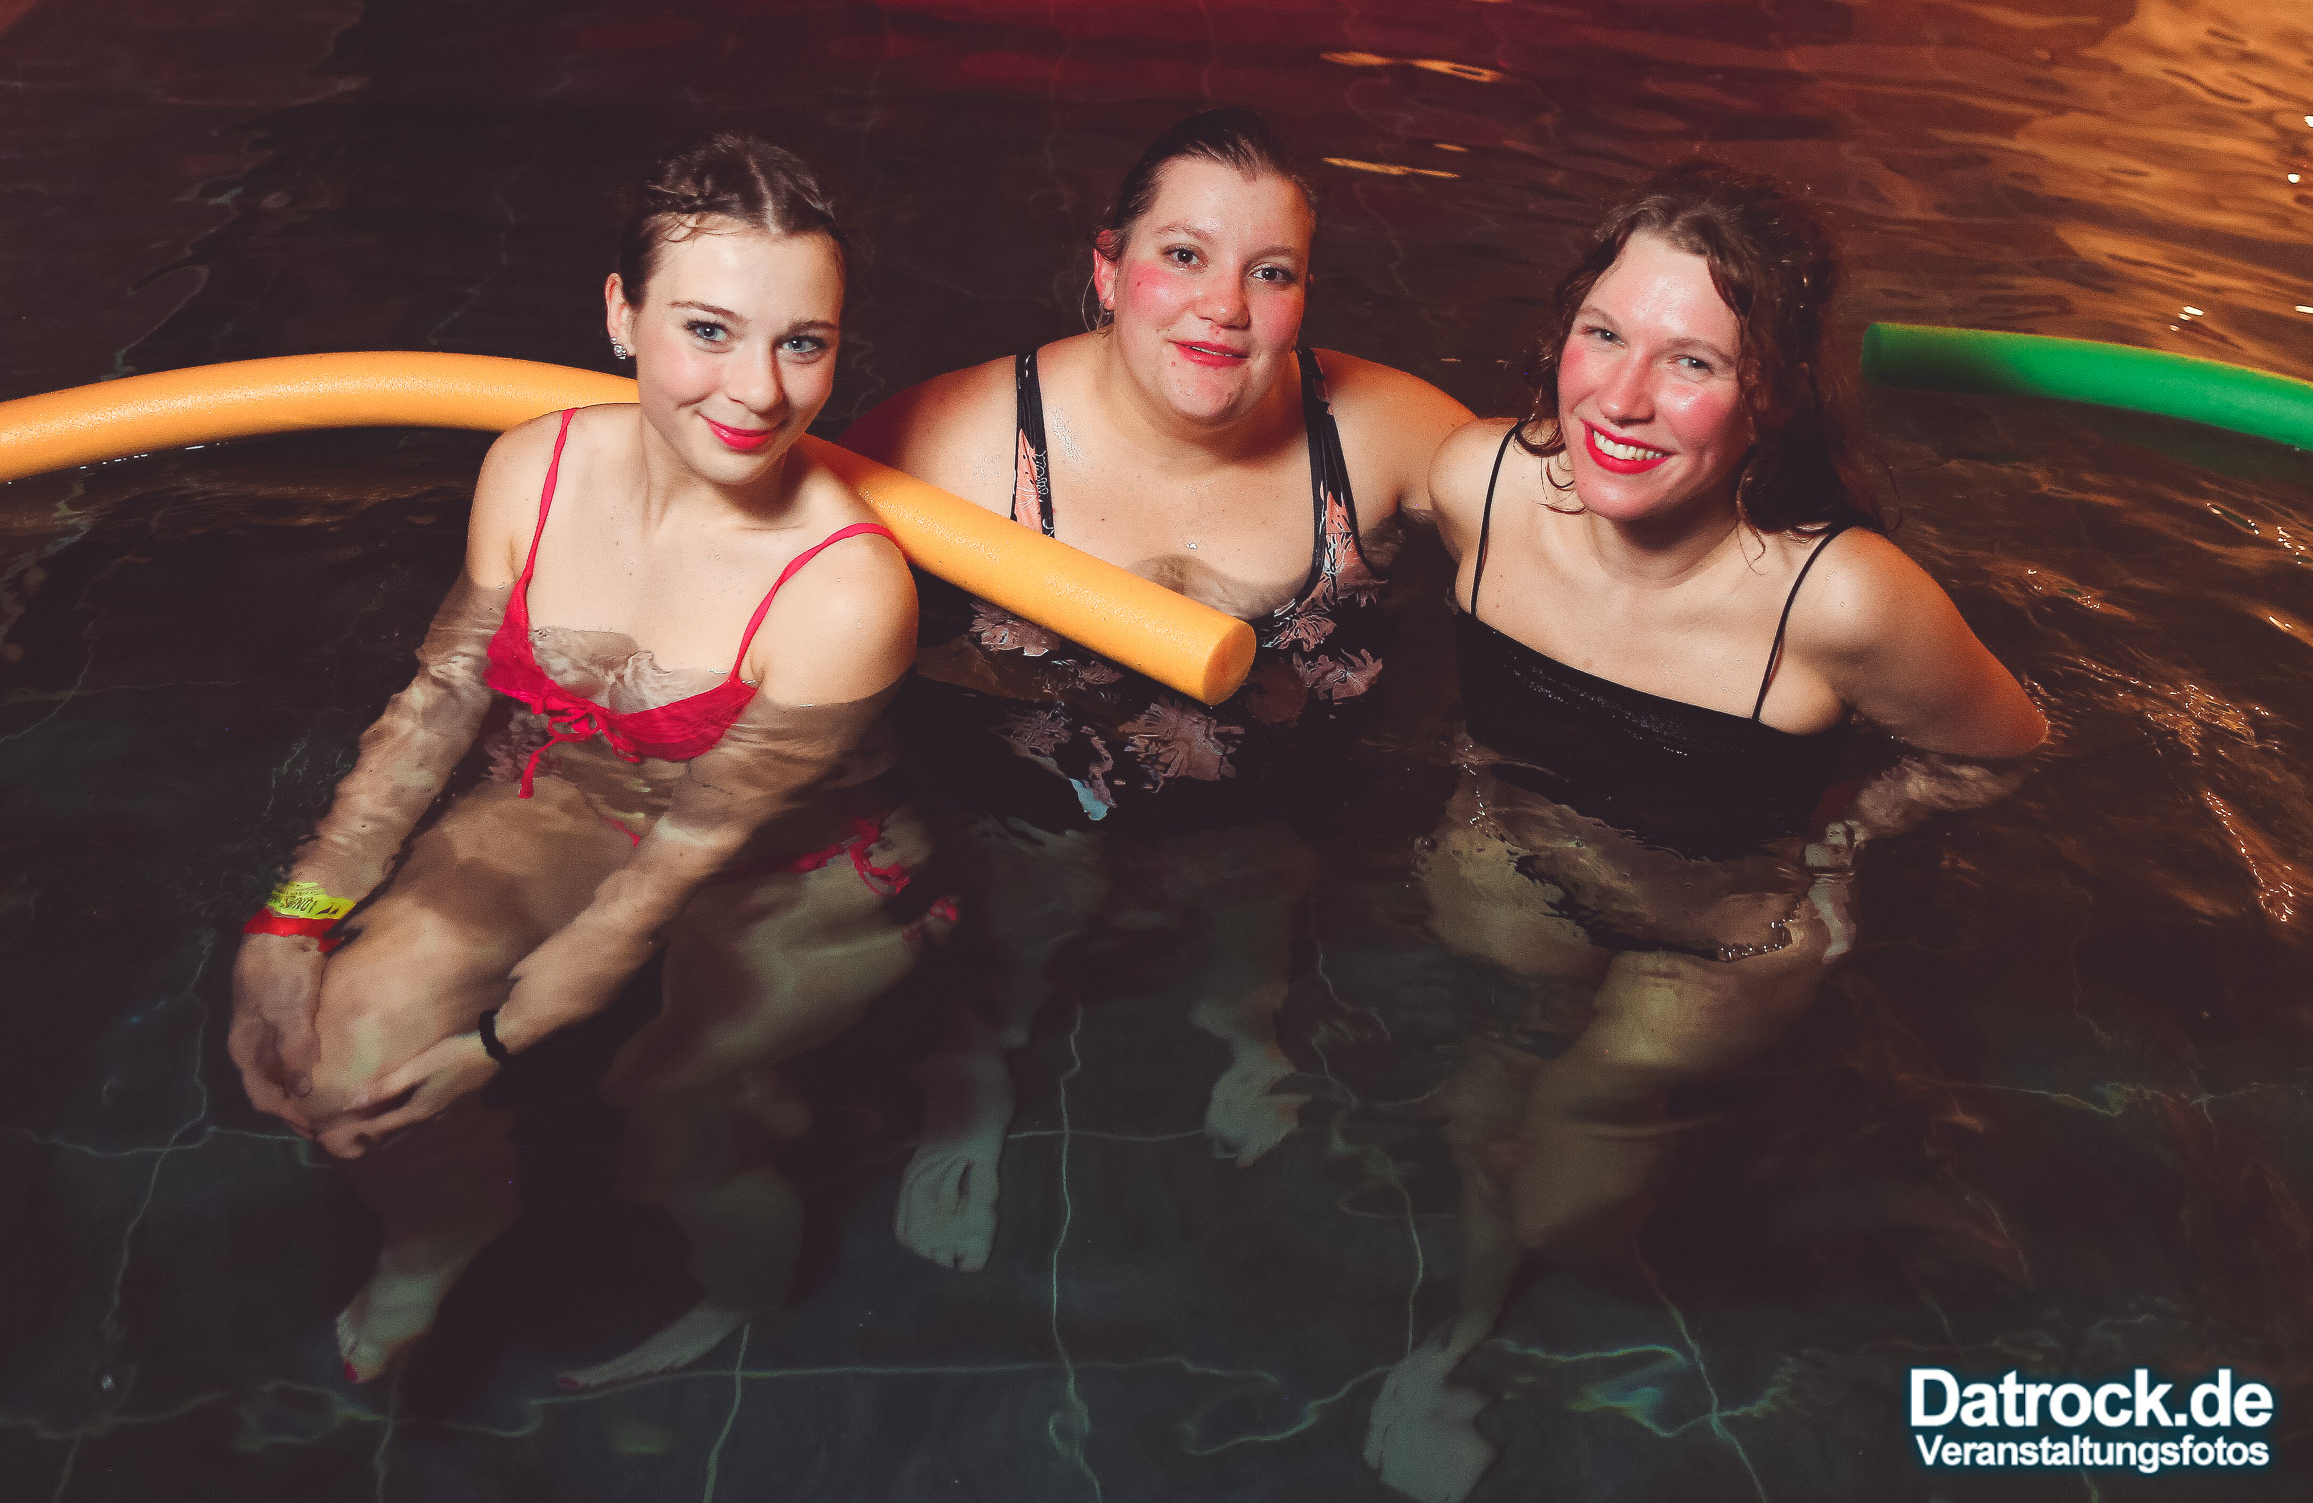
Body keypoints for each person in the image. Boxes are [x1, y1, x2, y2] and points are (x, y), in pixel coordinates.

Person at [1362, 160, 2046, 1502]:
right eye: (1603, 334)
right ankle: (1454, 1343)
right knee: (1490, 1071)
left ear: (1768, 397)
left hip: (1724, 922)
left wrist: (1845, 843)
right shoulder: (1482, 482)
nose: (1619, 398)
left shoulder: (1841, 598)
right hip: (1514, 845)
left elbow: (2000, 750)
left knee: (1574, 1171)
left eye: (1690, 362)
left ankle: (1580, 1301)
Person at [227, 133, 930, 1386]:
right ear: (620, 314)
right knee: (347, 1053)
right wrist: (296, 915)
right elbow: (440, 700)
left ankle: (747, 1294)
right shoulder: (534, 469)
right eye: (708, 331)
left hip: (794, 867)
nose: (759, 391)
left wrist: (503, 1040)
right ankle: (447, 1224)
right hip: (569, 800)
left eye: (803, 343)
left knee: (668, 1128)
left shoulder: (845, 588)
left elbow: (693, 849)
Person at [848, 107, 1473, 1272]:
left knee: (1265, 872)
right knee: (1031, 891)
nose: (1223, 306)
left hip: (1274, 802)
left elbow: (1562, 534)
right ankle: (978, 1055)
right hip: (1026, 799)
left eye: (1270, 272)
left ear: (1304, 295)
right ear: (1107, 269)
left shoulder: (1385, 435)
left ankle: (1247, 1027)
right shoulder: (957, 441)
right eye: (1183, 255)